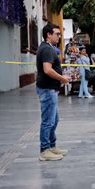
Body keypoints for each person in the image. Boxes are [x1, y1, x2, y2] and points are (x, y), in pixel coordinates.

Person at [36, 23, 71, 161]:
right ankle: (44, 150)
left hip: (50, 89)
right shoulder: (47, 50)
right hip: (47, 89)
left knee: (54, 120)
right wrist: (62, 78)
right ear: (48, 34)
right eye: (57, 34)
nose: (59, 36)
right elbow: (47, 70)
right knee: (48, 121)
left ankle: (51, 146)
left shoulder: (49, 48)